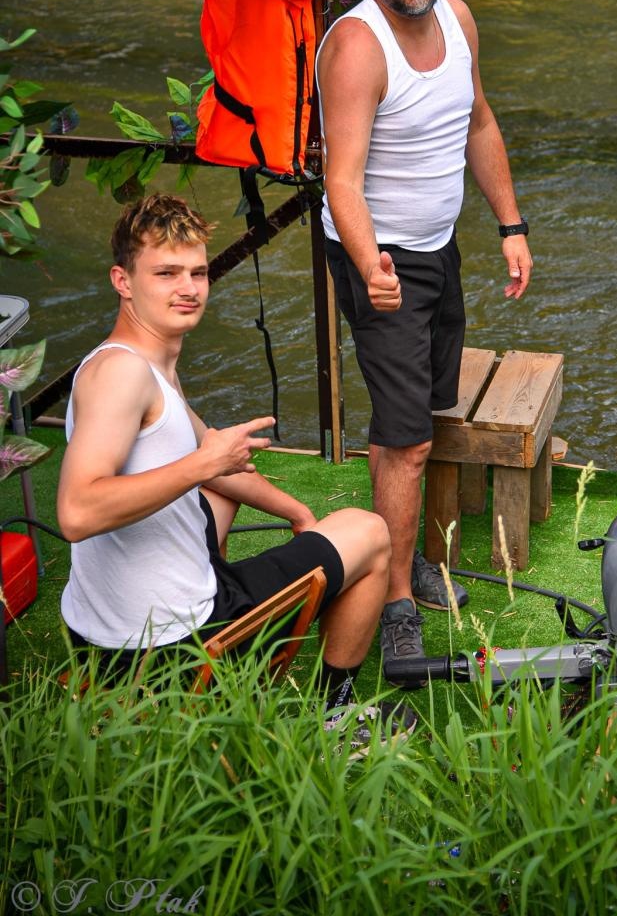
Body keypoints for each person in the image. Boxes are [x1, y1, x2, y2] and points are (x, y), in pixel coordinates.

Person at [57, 193, 414, 747]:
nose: (188, 288)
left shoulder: (138, 361)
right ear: (122, 280)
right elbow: (77, 512)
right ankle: (334, 719)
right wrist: (202, 464)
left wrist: (295, 511)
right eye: (166, 272)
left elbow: (211, 459)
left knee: (219, 494)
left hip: (100, 641)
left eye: (198, 272)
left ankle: (215, 635)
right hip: (170, 649)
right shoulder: (121, 378)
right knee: (370, 533)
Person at [317, 0, 532, 671]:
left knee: (430, 412)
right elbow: (341, 179)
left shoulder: (459, 19)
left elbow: (476, 122)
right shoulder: (355, 47)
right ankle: (396, 595)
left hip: (438, 247)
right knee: (403, 440)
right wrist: (371, 259)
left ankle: (410, 562)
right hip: (380, 259)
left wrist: (509, 225)